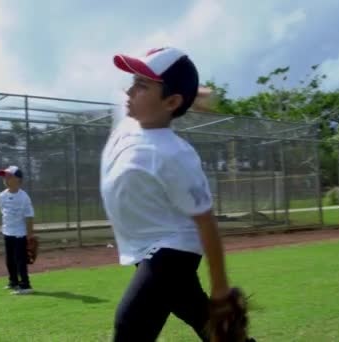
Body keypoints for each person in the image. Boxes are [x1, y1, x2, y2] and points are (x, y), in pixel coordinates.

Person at [99, 47, 241, 341]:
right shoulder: (128, 117)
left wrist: (221, 288)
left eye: (142, 85)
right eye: (133, 81)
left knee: (130, 326)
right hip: (144, 246)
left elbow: (205, 222)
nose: (130, 91)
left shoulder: (176, 155)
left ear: (171, 101)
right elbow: (163, 95)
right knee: (201, 317)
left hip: (173, 246)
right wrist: (196, 93)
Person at [0, 165, 35, 295]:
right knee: (9, 260)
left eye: (9, 176)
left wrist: (29, 236)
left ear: (18, 179)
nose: (5, 179)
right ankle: (13, 281)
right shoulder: (2, 195)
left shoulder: (24, 197)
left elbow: (29, 216)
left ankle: (25, 285)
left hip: (20, 234)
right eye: (5, 177)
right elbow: (3, 212)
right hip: (7, 232)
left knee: (20, 260)